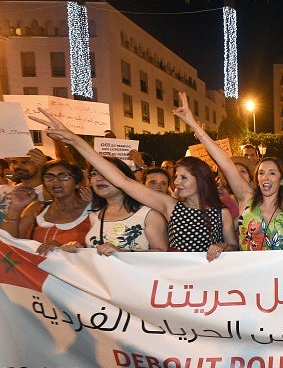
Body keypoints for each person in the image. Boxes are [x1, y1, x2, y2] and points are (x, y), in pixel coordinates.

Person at [31, 108, 238, 261]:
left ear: (200, 179)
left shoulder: (222, 213)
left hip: (210, 284)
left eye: (183, 178)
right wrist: (76, 141)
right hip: (176, 281)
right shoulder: (171, 207)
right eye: (175, 176)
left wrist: (223, 247)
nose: (176, 182)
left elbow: (234, 248)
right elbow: (122, 181)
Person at [173, 92, 283, 251]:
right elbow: (225, 162)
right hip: (245, 274)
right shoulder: (247, 198)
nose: (264, 177)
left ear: (282, 180)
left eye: (272, 173)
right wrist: (194, 125)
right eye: (261, 173)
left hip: (278, 276)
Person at [75, 159, 168, 255]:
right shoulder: (94, 214)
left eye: (105, 172)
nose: (98, 178)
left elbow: (161, 254)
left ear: (123, 178)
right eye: (94, 173)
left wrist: (122, 253)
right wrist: (78, 250)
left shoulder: (149, 215)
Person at [0, 160, 91, 255]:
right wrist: (16, 207)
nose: (55, 181)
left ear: (77, 183)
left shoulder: (92, 212)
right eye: (49, 177)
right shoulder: (36, 208)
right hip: (33, 268)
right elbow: (7, 242)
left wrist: (61, 249)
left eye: (63, 176)